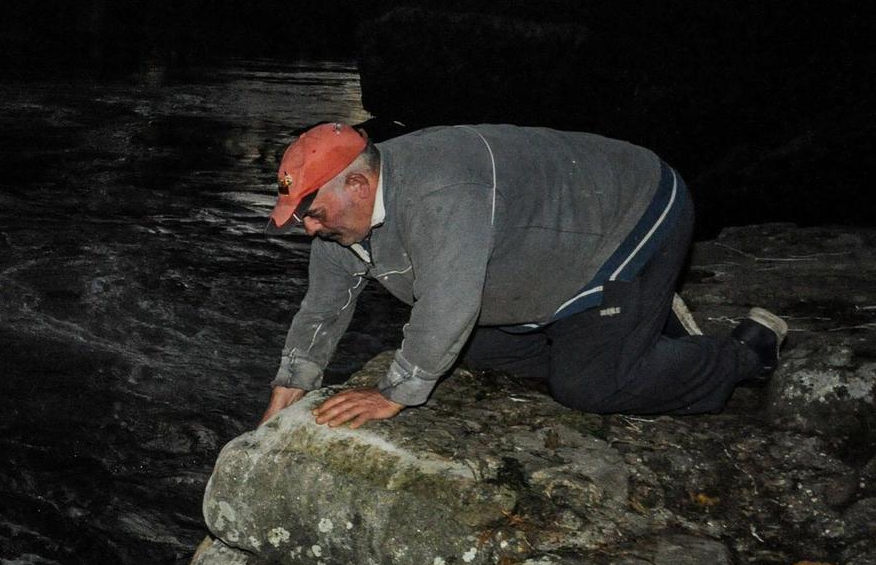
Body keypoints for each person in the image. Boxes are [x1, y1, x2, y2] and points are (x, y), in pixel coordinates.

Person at [258, 122, 787, 429]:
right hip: (546, 240)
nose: (308, 228)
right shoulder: (340, 222)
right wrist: (291, 385)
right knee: (471, 351)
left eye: (313, 212)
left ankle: (742, 355)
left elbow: (448, 300)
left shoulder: (441, 192)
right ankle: (633, 324)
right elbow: (324, 305)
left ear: (357, 182)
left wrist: (394, 394)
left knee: (591, 386)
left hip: (629, 214)